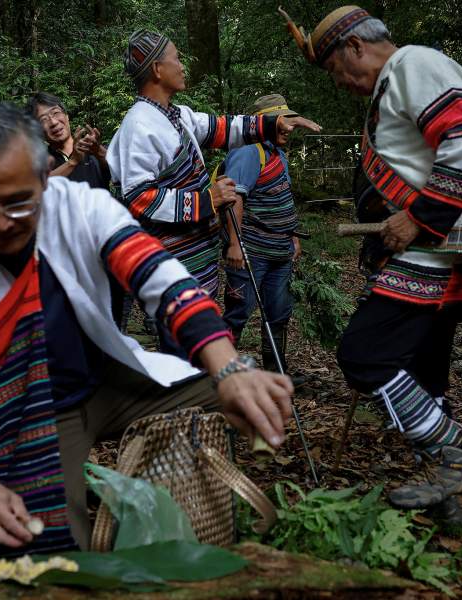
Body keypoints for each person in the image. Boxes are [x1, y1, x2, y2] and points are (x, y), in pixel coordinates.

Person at [0, 103, 294, 557]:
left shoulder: (79, 207)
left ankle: (185, 505)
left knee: (236, 381)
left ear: (45, 178)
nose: (3, 222)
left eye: (20, 202)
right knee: (42, 548)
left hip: (105, 377)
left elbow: (161, 279)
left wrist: (230, 369)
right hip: (27, 411)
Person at [281, 6, 462, 513]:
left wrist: (418, 216)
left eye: (336, 70)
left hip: (433, 248)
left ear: (355, 46)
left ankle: (450, 455)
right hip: (432, 249)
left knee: (364, 354)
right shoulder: (397, 80)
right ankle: (445, 496)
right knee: (423, 371)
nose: (341, 83)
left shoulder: (413, 64)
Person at [107, 29, 320, 356]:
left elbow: (221, 128)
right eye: (176, 58)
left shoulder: (175, 116)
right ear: (156, 70)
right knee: (181, 346)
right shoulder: (140, 125)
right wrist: (208, 200)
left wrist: (271, 124)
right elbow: (139, 198)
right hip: (173, 265)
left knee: (193, 338)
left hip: (194, 263)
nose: (182, 66)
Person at [220, 94, 303, 380]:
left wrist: (292, 236)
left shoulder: (276, 154)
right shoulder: (248, 152)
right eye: (280, 122)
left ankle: (276, 372)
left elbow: (282, 196)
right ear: (261, 124)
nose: (288, 127)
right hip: (251, 251)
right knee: (238, 313)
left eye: (288, 121)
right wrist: (235, 244)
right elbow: (234, 199)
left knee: (279, 313)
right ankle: (223, 376)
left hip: (279, 250)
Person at [26, 92, 111, 190]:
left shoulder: (93, 149)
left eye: (56, 113)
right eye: (43, 119)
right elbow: (36, 186)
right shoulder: (42, 162)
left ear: (67, 116)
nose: (53, 122)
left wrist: (98, 151)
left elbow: (120, 169)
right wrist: (73, 161)